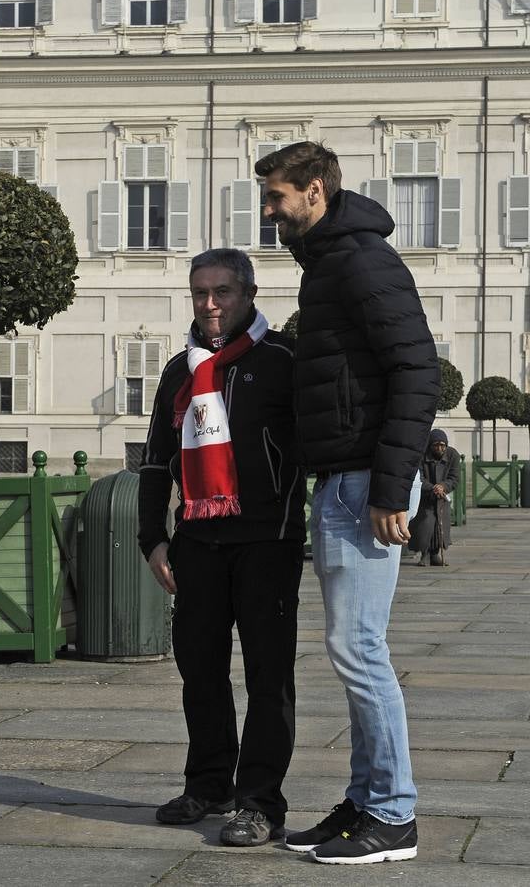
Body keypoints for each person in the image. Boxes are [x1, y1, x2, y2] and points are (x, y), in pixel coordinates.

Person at [257, 141, 439, 864]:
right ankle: (364, 802)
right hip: (343, 478)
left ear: (313, 191)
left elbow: (415, 369)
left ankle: (393, 814)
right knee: (351, 648)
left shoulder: (359, 260)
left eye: (276, 197)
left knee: (358, 649)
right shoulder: (330, 262)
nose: (268, 210)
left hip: (368, 482)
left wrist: (392, 487)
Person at [137, 247, 306, 849]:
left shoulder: (283, 358)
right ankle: (208, 784)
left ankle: (260, 803)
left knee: (268, 676)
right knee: (200, 672)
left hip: (268, 540)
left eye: (222, 292)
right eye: (200, 292)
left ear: (249, 293)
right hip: (197, 542)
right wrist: (152, 538)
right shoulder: (180, 371)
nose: (210, 305)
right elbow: (156, 459)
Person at [408, 429, 458, 566]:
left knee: (441, 525)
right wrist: (433, 487)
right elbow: (418, 477)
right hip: (425, 497)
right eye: (436, 445)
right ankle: (425, 553)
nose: (439, 448)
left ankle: (436, 553)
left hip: (442, 497)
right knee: (425, 525)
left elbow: (454, 478)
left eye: (443, 445)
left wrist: (443, 486)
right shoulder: (421, 455)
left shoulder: (453, 455)